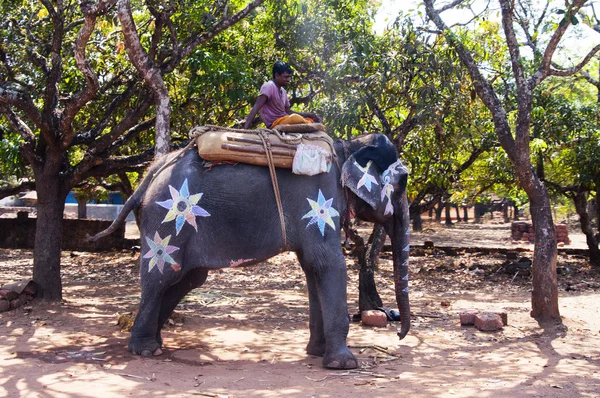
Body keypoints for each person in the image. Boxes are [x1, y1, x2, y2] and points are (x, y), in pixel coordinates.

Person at [244, 61, 321, 129]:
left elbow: (288, 112)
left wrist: (308, 115)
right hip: (274, 124)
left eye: (289, 77)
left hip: (285, 120)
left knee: (309, 120)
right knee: (295, 118)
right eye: (286, 77)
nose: (288, 80)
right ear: (277, 75)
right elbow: (255, 108)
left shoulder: (283, 91)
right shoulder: (268, 86)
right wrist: (245, 130)